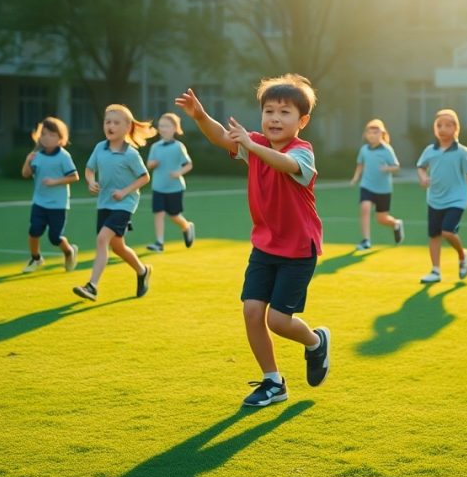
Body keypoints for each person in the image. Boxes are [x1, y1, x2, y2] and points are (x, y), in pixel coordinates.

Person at [176, 75, 331, 408]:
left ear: (302, 121)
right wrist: (200, 116)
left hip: (298, 249)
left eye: (285, 112)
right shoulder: (254, 144)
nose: (275, 118)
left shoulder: (302, 152)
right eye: (269, 111)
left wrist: (252, 145)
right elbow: (221, 136)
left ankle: (315, 342)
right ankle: (273, 382)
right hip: (264, 245)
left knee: (278, 321)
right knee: (251, 311)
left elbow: (286, 164)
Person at [72, 104, 154, 301]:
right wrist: (91, 181)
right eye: (107, 121)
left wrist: (124, 191)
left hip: (124, 205)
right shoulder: (100, 147)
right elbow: (89, 169)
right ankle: (142, 270)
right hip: (104, 204)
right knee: (117, 247)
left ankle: (92, 286)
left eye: (116, 122)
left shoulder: (131, 154)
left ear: (127, 127)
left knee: (102, 239)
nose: (110, 125)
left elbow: (144, 178)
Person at [416, 109, 467, 284]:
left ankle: (462, 255)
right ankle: (435, 271)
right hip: (434, 199)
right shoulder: (430, 150)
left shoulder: (462, 152)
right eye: (439, 125)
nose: (442, 129)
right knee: (434, 235)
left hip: (457, 199)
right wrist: (422, 177)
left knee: (447, 232)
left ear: (456, 128)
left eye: (448, 125)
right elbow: (420, 167)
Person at [21, 117, 80, 273]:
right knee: (34, 231)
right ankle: (36, 258)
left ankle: (69, 252)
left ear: (60, 138)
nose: (47, 138)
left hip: (58, 205)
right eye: (44, 134)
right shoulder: (36, 155)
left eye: (52, 135)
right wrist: (27, 161)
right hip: (39, 202)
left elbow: (74, 176)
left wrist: (55, 181)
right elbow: (26, 174)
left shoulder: (64, 156)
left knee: (55, 238)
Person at [349, 118, 404, 250]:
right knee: (365, 207)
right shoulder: (364, 150)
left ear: (382, 134)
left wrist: (387, 169)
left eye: (376, 133)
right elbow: (360, 164)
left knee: (381, 218)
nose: (372, 135)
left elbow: (396, 166)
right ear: (366, 135)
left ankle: (396, 224)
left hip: (383, 189)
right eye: (370, 133)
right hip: (367, 185)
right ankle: (366, 241)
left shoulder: (387, 150)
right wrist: (355, 178)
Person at [145, 112, 195, 252]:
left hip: (175, 188)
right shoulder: (155, 147)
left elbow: (188, 165)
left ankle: (186, 226)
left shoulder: (179, 147)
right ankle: (159, 243)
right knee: (159, 213)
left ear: (174, 128)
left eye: (166, 126)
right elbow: (149, 165)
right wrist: (153, 164)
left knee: (174, 215)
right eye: (160, 126)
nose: (163, 128)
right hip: (158, 187)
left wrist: (179, 172)